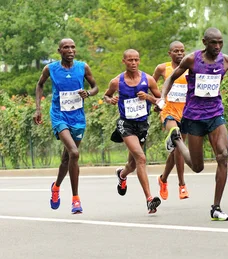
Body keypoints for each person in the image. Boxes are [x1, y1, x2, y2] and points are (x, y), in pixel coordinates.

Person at [160, 27, 228, 221]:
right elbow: (171, 78)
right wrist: (163, 97)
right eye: (213, 42)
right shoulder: (192, 59)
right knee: (197, 167)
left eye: (220, 42)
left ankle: (216, 207)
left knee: (222, 156)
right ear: (204, 42)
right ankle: (177, 140)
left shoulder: (225, 61)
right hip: (193, 117)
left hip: (215, 113)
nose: (217, 46)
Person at [34, 38, 98, 214]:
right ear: (59, 51)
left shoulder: (83, 67)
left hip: (77, 117)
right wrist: (38, 109)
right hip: (59, 116)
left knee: (67, 158)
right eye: (66, 47)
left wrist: (89, 93)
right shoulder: (51, 68)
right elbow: (39, 85)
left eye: (72, 47)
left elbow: (95, 87)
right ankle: (76, 199)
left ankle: (56, 187)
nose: (70, 50)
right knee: (74, 153)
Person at [103, 49, 162, 214]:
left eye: (136, 60)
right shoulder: (117, 82)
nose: (133, 63)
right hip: (126, 124)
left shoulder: (148, 80)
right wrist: (111, 100)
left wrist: (149, 98)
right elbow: (106, 96)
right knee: (141, 158)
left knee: (132, 164)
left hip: (142, 124)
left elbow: (161, 103)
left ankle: (122, 175)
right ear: (124, 61)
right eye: (130, 60)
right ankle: (150, 199)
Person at [153, 41, 190, 201]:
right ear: (170, 53)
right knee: (177, 138)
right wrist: (156, 101)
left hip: (187, 113)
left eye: (182, 51)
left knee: (178, 149)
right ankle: (182, 185)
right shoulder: (163, 68)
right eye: (176, 51)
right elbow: (150, 84)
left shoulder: (190, 68)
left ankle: (163, 179)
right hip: (168, 112)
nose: (180, 53)